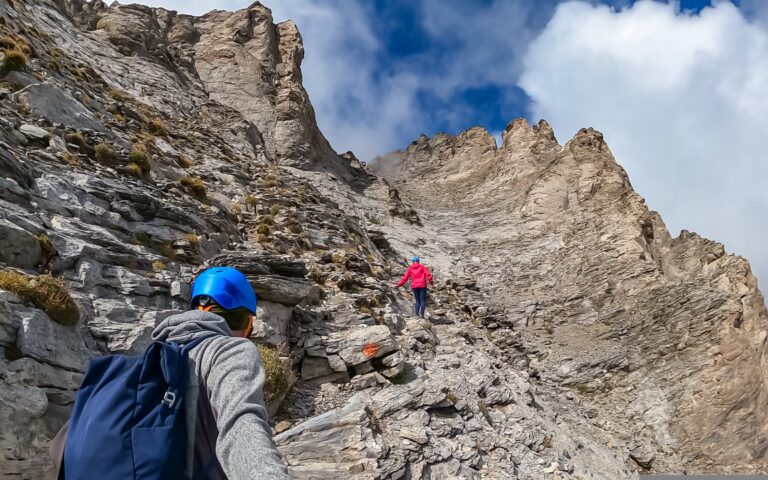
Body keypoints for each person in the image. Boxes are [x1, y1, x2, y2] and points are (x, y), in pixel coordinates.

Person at [151, 266, 291, 479]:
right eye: (245, 323)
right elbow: (242, 426)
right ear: (246, 323)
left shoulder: (153, 355)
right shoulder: (232, 350)